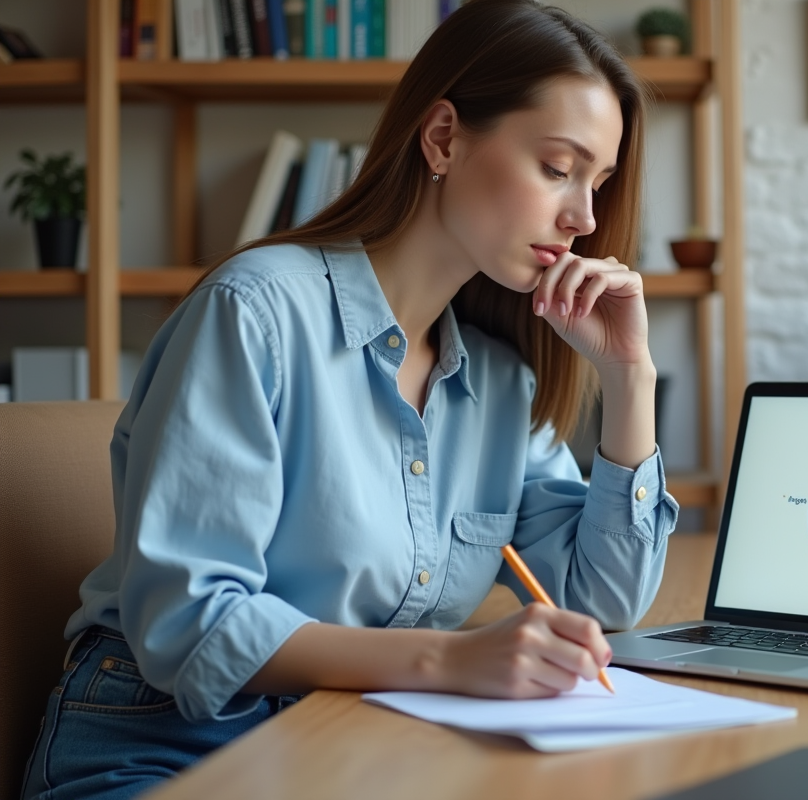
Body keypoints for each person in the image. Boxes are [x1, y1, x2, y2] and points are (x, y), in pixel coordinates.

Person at [21, 2, 678, 797]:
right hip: (169, 740)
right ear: (442, 139)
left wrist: (629, 378)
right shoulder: (255, 313)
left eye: (598, 183)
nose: (584, 218)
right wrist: (449, 660)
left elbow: (602, 600)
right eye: (556, 168)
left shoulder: (503, 381)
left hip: (352, 741)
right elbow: (188, 624)